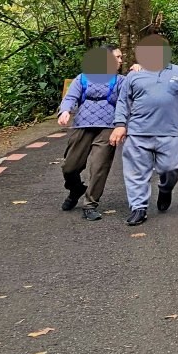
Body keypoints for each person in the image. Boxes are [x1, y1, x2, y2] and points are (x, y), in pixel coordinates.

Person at [109, 34, 178, 227]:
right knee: (136, 173)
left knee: (171, 169)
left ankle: (165, 190)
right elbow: (123, 102)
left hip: (169, 132)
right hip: (138, 132)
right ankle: (138, 208)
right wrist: (120, 125)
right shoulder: (134, 74)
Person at [56, 44, 124, 221]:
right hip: (83, 125)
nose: (120, 60)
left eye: (121, 57)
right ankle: (76, 189)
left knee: (99, 166)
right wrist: (65, 111)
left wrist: (139, 72)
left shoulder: (121, 81)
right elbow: (70, 97)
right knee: (70, 167)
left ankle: (90, 204)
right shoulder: (83, 78)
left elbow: (133, 96)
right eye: (117, 57)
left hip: (108, 126)